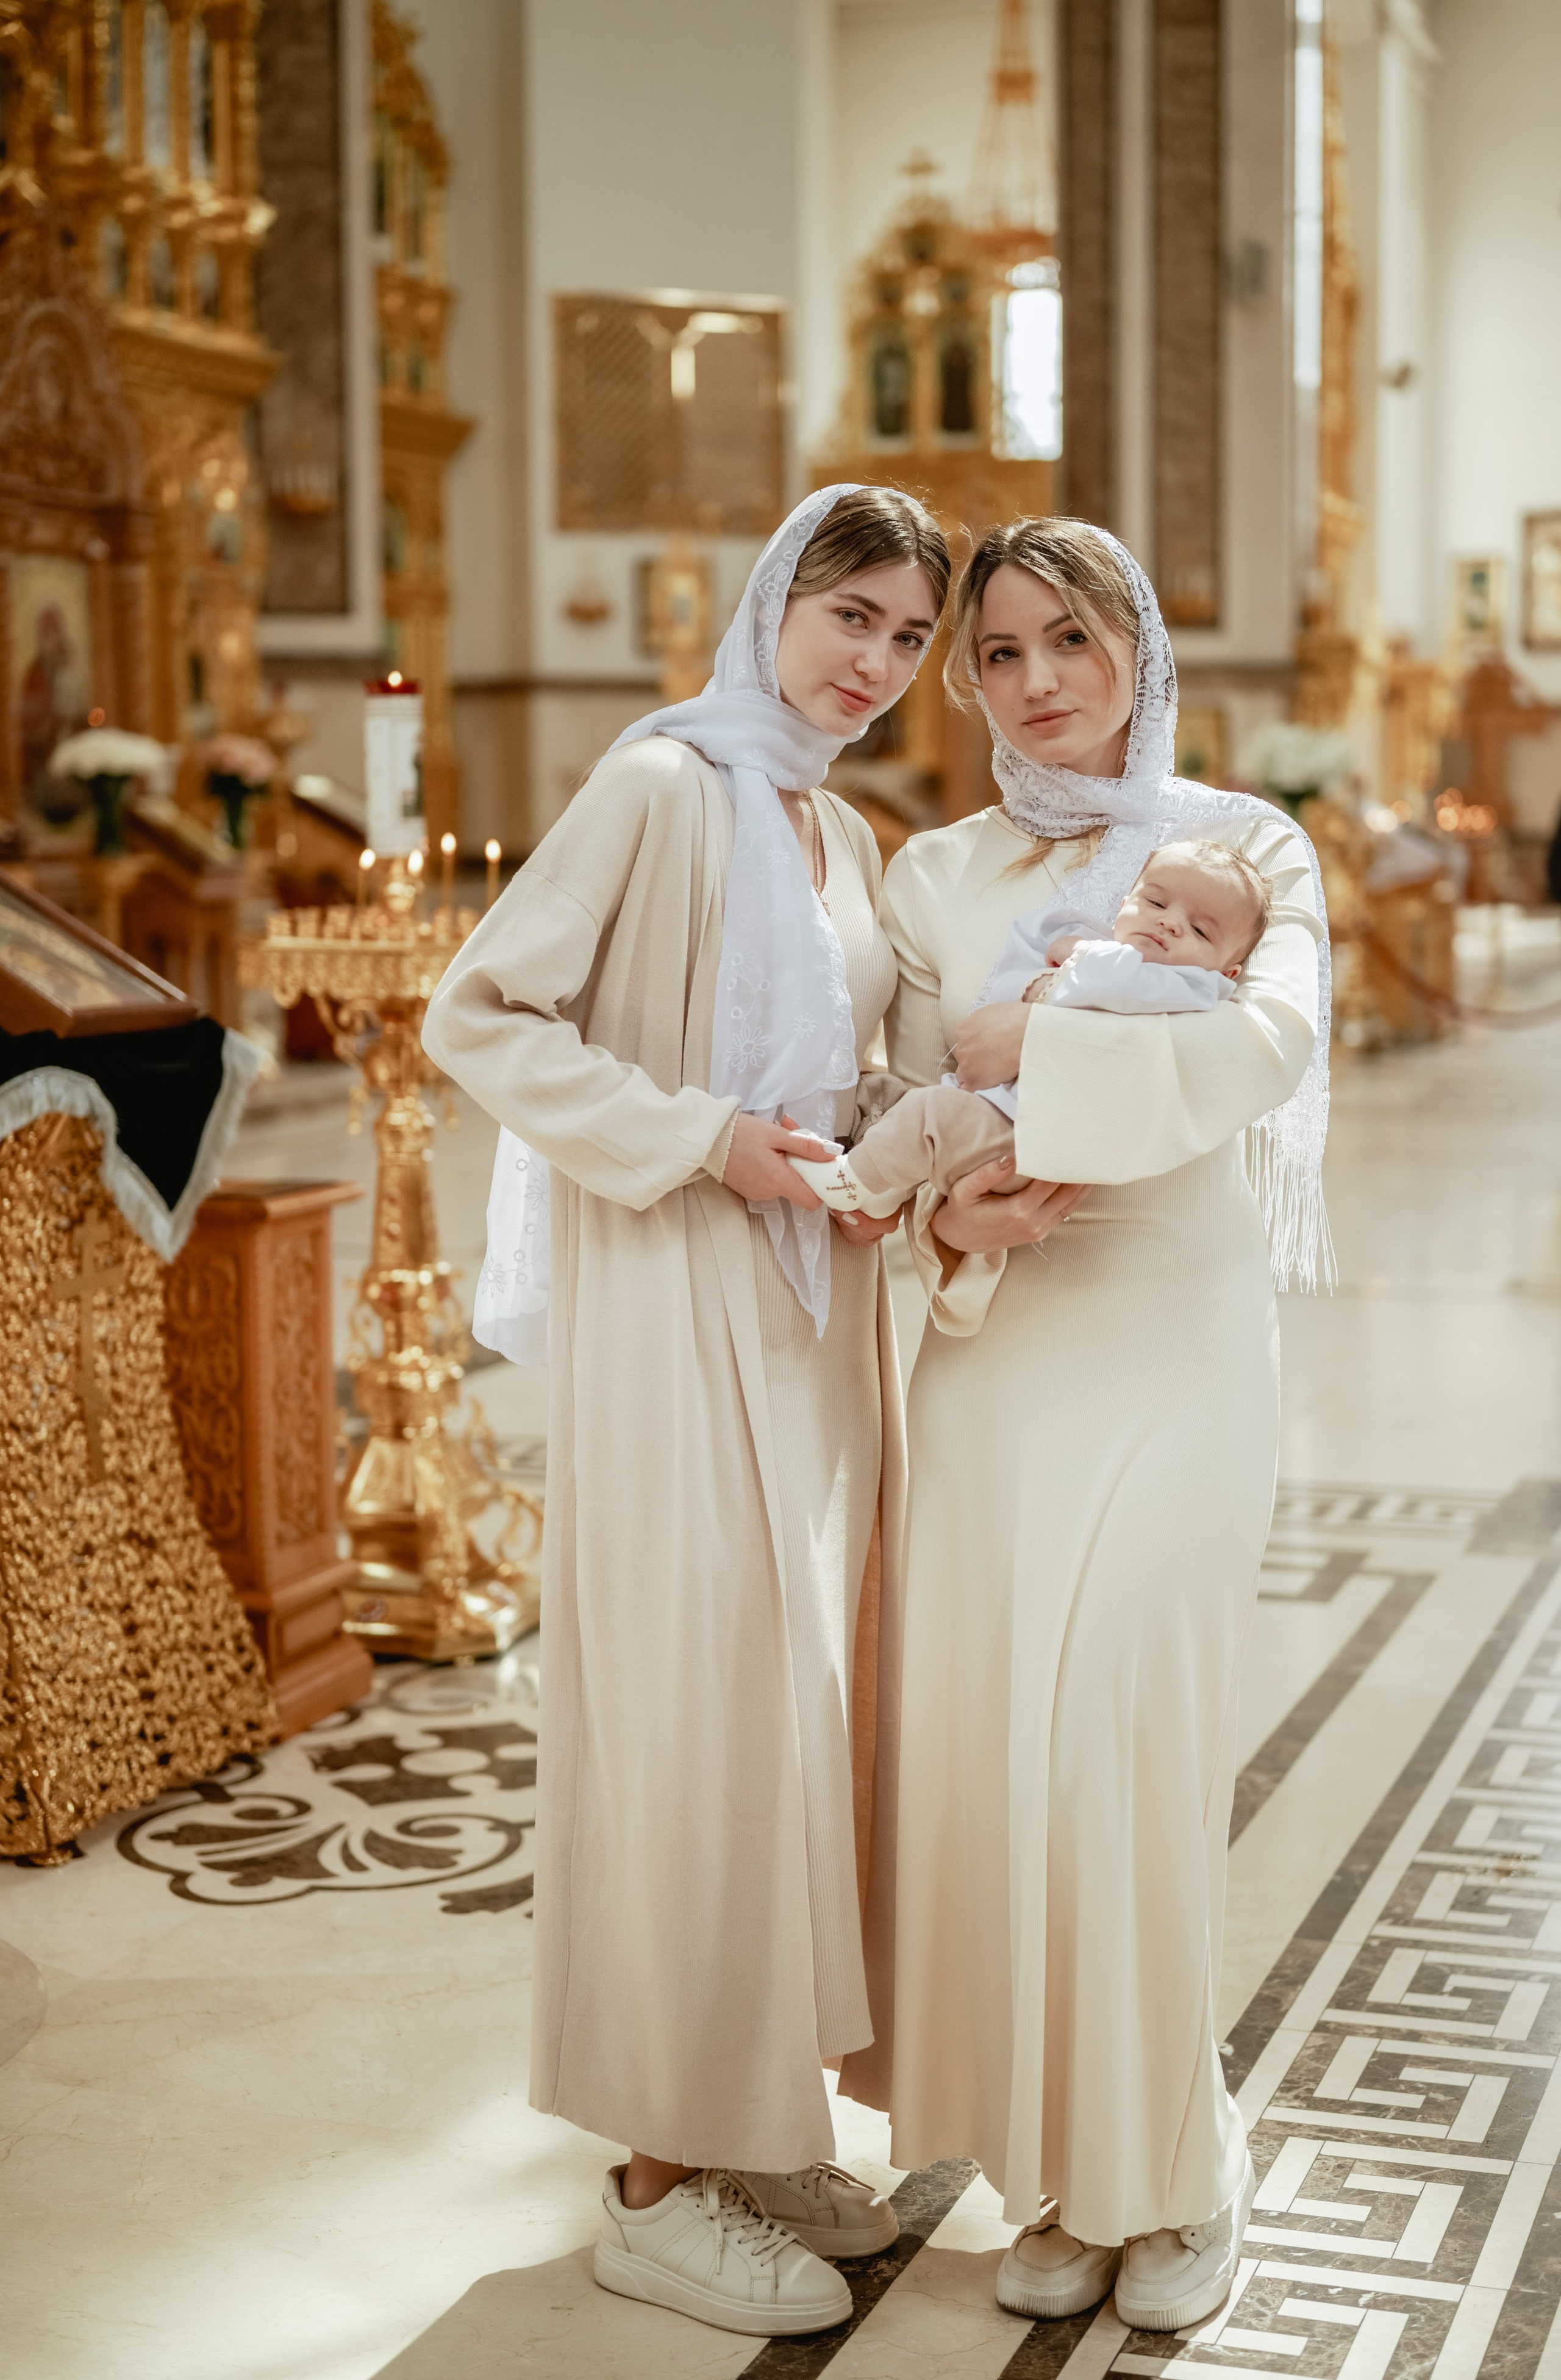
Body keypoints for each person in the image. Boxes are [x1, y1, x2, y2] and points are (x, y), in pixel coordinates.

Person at [422, 485, 951, 2340]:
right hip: (672, 1300)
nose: (876, 661)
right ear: (777, 599)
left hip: (810, 1316)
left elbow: (837, 1063)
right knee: (684, 1726)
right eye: (852, 615)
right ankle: (652, 2182)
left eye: (909, 637)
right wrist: (700, 1142)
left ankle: (750, 2116)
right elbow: (481, 1013)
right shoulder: (659, 785)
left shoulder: (841, 826)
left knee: (790, 1720)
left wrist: (897, 1144)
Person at [837, 517, 1329, 2335]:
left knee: (1132, 1748)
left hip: (1171, 1333)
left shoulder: (1245, 844)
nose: (1037, 680)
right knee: (1002, 1765)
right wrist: (947, 1214)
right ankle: (1055, 2169)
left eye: (1072, 640)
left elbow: (1256, 1052)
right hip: (995, 1340)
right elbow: (892, 1106)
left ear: (1136, 647)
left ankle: (1175, 2168)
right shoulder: (931, 873)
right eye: (1000, 650)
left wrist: (1023, 1052)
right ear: (965, 678)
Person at [788, 839, 1273, 1218]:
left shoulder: (1193, 985)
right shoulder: (1103, 946)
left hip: (1029, 1134)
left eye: (1201, 930)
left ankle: (851, 1185)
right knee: (894, 1097)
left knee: (928, 1113)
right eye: (1155, 902)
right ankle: (874, 1184)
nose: (1170, 924)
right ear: (1126, 900)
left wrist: (1079, 955)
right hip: (1001, 1110)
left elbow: (1118, 983)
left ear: (1228, 971)